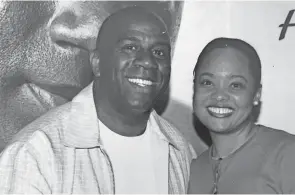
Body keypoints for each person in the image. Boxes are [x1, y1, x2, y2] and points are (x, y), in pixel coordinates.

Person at [0, 7, 196, 194]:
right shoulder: (35, 153)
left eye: (159, 52)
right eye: (130, 47)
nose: (147, 61)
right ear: (97, 63)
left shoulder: (182, 151)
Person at [189, 37, 295, 194]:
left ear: (256, 95)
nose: (219, 96)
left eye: (235, 85)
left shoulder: (287, 155)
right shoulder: (194, 170)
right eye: (207, 82)